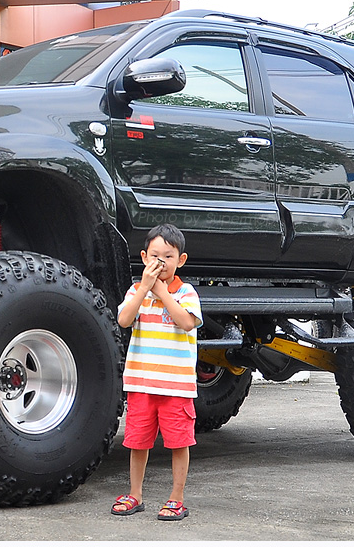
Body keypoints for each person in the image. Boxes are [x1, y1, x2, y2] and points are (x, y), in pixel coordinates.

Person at [111, 223, 202, 521]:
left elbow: (186, 322)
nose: (160, 263)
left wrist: (162, 292)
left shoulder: (186, 292)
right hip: (141, 384)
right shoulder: (136, 291)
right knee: (137, 442)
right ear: (144, 257)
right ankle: (135, 494)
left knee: (179, 442)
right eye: (154, 256)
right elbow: (124, 319)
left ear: (181, 260)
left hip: (176, 386)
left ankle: (177, 497)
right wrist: (145, 289)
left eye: (168, 257)